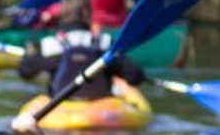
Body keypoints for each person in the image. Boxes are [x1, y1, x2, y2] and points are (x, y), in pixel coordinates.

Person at [16, 33, 147, 102]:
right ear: (87, 14)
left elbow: (25, 71)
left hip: (60, 110)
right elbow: (135, 76)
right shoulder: (103, 44)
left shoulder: (51, 45)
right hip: (101, 108)